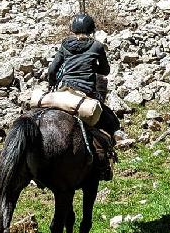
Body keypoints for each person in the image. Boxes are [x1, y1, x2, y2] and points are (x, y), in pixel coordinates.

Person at [47, 13, 118, 176]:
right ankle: (103, 166)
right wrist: (92, 67)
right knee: (110, 122)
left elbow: (52, 70)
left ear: (73, 30)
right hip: (85, 92)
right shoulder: (97, 46)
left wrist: (51, 85)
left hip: (63, 91)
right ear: (91, 30)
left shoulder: (65, 45)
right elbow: (106, 70)